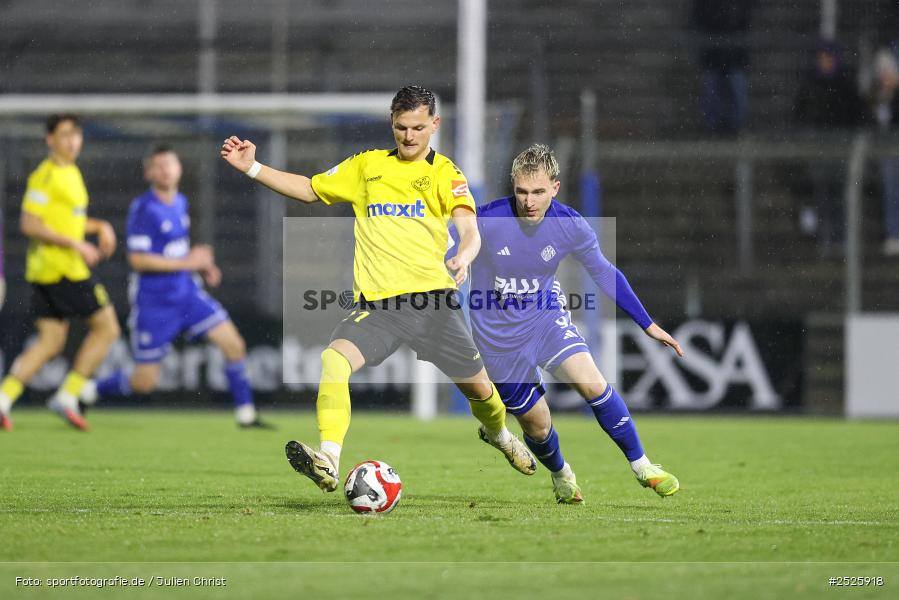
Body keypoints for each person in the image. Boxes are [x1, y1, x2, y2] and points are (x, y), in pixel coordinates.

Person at [220, 85, 537, 492]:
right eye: (402, 127)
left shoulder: (445, 173)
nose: (409, 136)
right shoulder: (367, 167)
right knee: (334, 361)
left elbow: (469, 228)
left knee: (484, 395)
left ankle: (500, 436)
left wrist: (466, 255)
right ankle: (328, 459)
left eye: (419, 128)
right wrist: (252, 167)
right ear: (392, 123)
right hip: (379, 309)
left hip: (435, 306)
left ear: (435, 124)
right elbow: (310, 189)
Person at [462, 144, 683, 503]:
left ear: (555, 188)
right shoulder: (487, 220)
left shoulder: (570, 226)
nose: (528, 201)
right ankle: (562, 473)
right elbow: (445, 250)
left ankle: (643, 466)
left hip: (546, 321)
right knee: (539, 425)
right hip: (498, 340)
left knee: (592, 382)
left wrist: (647, 324)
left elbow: (604, 272)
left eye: (537, 192)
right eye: (521, 191)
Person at [79, 145, 270, 428]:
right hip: (155, 302)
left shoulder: (180, 201)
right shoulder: (144, 208)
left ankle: (246, 416)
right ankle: (88, 392)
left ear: (179, 168)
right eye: (159, 165)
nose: (166, 170)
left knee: (234, 345)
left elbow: (175, 251)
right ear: (148, 173)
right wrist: (188, 262)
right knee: (144, 382)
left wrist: (201, 265)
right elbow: (138, 259)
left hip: (187, 293)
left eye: (171, 164)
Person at [0, 114, 121, 432]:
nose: (73, 140)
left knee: (50, 342)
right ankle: (68, 395)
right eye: (65, 134)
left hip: (49, 270)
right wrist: (77, 245)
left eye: (77, 134)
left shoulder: (72, 172)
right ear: (49, 140)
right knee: (107, 328)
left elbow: (67, 220)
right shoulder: (46, 175)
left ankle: (3, 398)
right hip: (62, 268)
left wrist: (99, 226)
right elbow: (30, 223)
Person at [792, 40, 865, 255]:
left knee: (840, 195)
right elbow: (801, 114)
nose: (825, 63)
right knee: (822, 194)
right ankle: (825, 238)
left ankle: (841, 238)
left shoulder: (845, 84)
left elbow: (856, 114)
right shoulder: (810, 84)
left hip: (841, 149)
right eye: (821, 58)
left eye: (828, 58)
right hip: (819, 149)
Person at [692, 0, 754, 135]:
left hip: (732, 51)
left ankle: (733, 127)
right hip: (715, 50)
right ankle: (715, 127)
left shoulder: (736, 9)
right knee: (713, 90)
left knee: (735, 91)